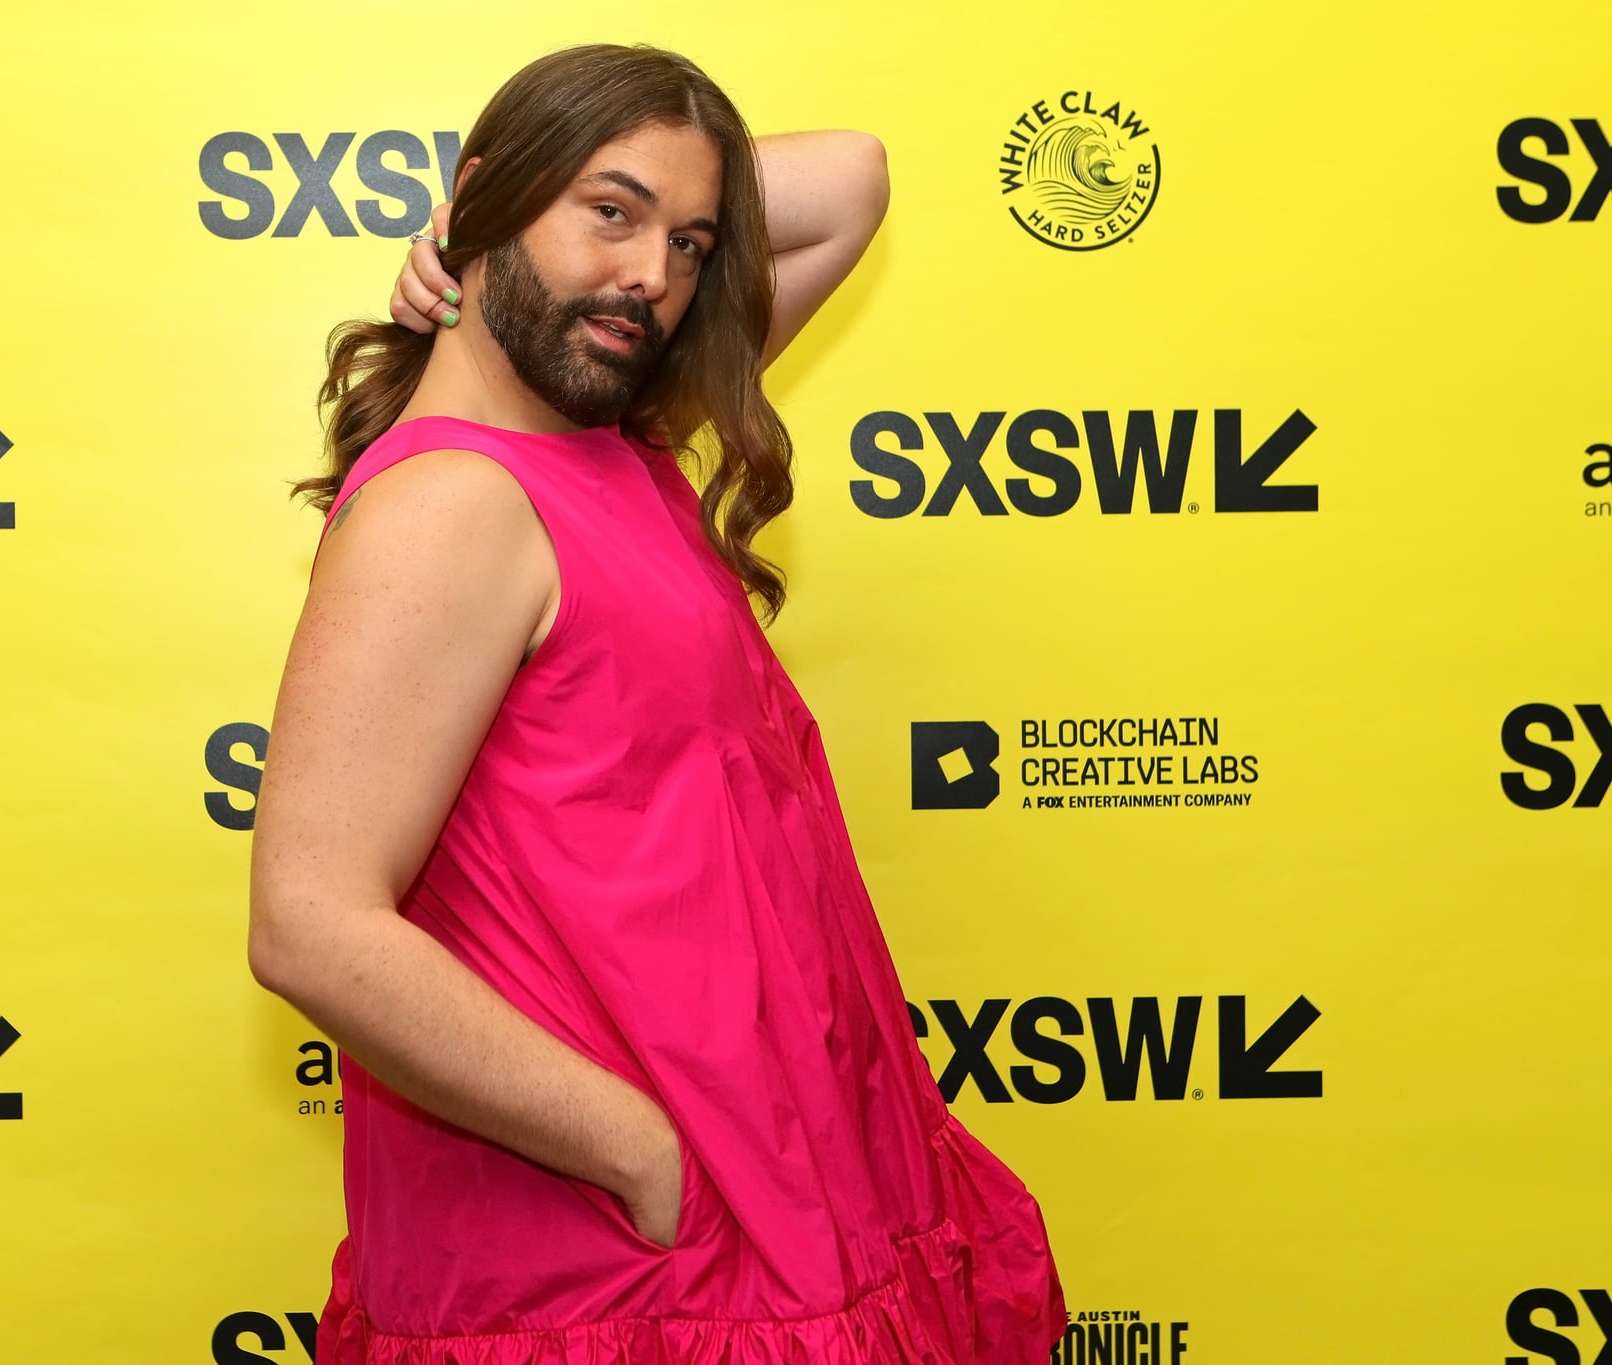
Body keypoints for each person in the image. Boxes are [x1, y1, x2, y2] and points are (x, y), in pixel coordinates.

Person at [249, 42, 1064, 1364]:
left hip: (771, 1213)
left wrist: (559, 215)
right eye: (608, 211)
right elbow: (308, 921)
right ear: (482, 199)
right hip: (608, 1267)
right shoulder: (451, 506)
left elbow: (850, 180)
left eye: (689, 243)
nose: (650, 277)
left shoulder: (617, 447)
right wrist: (639, 1151)